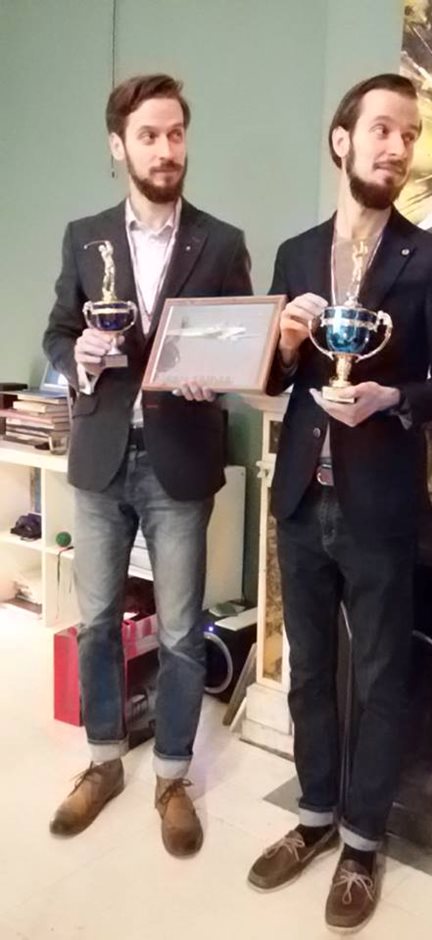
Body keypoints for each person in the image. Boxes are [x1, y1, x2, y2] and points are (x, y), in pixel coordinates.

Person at [248, 73, 432, 932]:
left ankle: (360, 843)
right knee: (309, 671)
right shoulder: (295, 253)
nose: (397, 147)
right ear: (341, 139)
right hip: (300, 498)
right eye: (382, 129)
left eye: (409, 135)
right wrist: (282, 343)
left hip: (379, 504)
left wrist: (394, 400)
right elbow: (275, 379)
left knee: (380, 677)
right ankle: (313, 816)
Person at [43, 73, 252, 857]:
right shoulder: (84, 236)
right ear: (118, 146)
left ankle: (171, 775)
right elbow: (57, 331)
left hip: (180, 458)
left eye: (175, 134)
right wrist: (77, 357)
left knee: (180, 630)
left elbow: (239, 341)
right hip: (101, 455)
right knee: (97, 622)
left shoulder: (221, 242)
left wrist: (216, 371)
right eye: (149, 136)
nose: (166, 150)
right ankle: (103, 761)